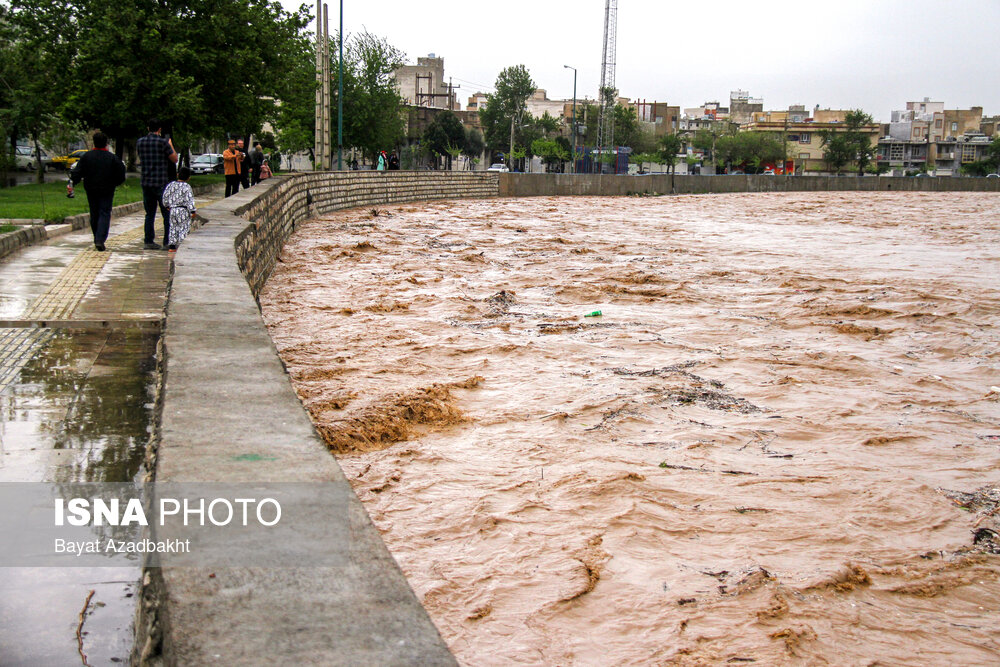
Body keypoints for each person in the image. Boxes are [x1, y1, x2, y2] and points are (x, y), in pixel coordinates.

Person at [69, 131, 126, 251]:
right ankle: (100, 239)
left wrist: (73, 182)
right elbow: (121, 174)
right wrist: (115, 183)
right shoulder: (112, 158)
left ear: (94, 143)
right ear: (106, 143)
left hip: (91, 188)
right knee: (104, 212)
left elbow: (78, 172)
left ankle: (96, 237)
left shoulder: (87, 157)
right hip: (107, 189)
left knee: (94, 212)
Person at [136, 118, 178, 250]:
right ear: (159, 129)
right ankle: (167, 242)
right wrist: (170, 144)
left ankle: (148, 241)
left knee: (149, 213)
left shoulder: (140, 142)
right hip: (161, 182)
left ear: (148, 128)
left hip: (146, 181)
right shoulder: (163, 143)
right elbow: (174, 159)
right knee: (166, 213)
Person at [161, 166, 197, 252]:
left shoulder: (171, 185)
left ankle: (172, 246)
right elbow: (189, 199)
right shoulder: (187, 187)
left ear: (177, 175)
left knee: (173, 227)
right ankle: (182, 245)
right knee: (183, 228)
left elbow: (165, 196)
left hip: (173, 210)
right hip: (183, 210)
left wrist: (167, 206)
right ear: (189, 178)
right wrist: (192, 211)